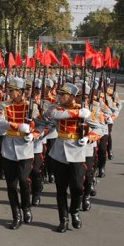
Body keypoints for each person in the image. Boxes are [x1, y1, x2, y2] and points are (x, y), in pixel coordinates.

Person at [46, 83, 97, 233]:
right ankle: (63, 219)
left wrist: (89, 138)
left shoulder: (85, 111)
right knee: (60, 188)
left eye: (63, 95)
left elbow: (100, 127)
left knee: (77, 187)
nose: (59, 97)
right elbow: (54, 115)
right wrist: (77, 113)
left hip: (77, 153)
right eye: (59, 94)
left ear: (72, 97)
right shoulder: (56, 107)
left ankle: (74, 211)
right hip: (59, 153)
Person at [0, 77, 37, 229]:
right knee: (11, 185)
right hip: (9, 148)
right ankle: (16, 214)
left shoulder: (31, 106)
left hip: (25, 149)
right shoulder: (4, 105)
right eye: (9, 90)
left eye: (13, 91)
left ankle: (26, 207)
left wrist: (34, 133)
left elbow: (42, 123)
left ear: (21, 92)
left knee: (24, 181)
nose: (10, 93)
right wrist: (17, 126)